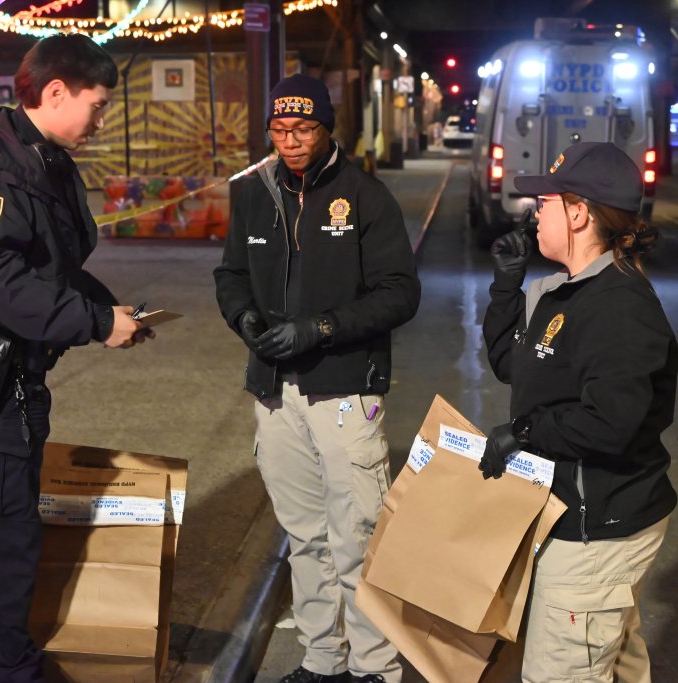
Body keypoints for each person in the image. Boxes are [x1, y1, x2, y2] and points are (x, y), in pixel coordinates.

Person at [0, 34, 150, 683]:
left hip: (12, 381)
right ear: (54, 92)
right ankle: (8, 670)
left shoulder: (39, 159)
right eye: (97, 105)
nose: (102, 120)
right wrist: (96, 322)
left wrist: (109, 311)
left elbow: (53, 264)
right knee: (9, 544)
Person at [214, 73, 420, 683]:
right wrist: (243, 315)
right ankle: (324, 660)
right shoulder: (251, 192)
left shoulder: (364, 196)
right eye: (279, 131)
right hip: (275, 393)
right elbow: (231, 274)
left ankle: (374, 669)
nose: (291, 142)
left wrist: (320, 330)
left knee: (357, 536)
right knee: (304, 538)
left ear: (328, 129)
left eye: (303, 130)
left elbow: (400, 294)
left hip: (345, 391)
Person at [480, 142, 678, 683]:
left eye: (543, 202)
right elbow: (508, 363)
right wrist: (506, 283)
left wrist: (522, 432)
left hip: (598, 526)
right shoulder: (565, 291)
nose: (532, 213)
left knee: (561, 671)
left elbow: (609, 424)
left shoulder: (620, 307)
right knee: (614, 661)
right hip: (572, 515)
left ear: (578, 212)